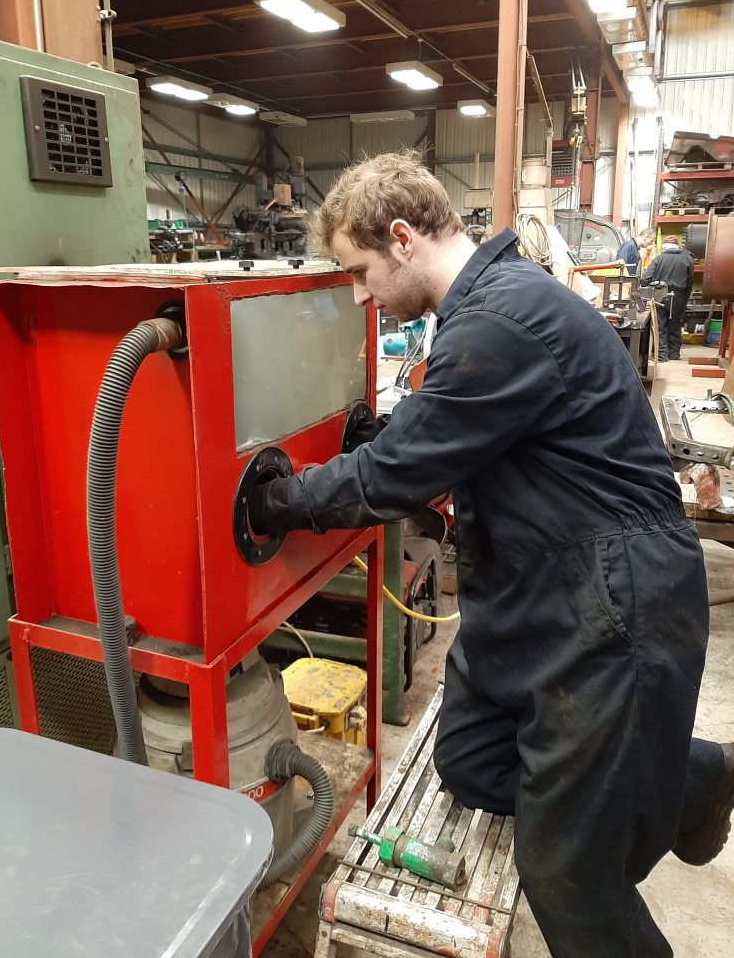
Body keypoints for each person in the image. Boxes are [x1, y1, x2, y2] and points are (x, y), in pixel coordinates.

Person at [249, 152, 733, 958]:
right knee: (472, 764)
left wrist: (279, 498)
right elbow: (441, 442)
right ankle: (690, 774)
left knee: (566, 873)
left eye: (361, 273)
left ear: (402, 239)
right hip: (540, 584)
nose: (361, 294)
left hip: (613, 599)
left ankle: (633, 804)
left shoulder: (500, 323)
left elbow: (396, 478)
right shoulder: (488, 312)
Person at [642, 234, 694, 362]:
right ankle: (674, 355)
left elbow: (645, 279)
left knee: (661, 326)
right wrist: (685, 297)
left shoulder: (659, 259)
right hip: (679, 296)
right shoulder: (688, 258)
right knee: (675, 325)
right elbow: (690, 281)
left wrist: (650, 289)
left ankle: (662, 356)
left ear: (665, 247)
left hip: (660, 295)